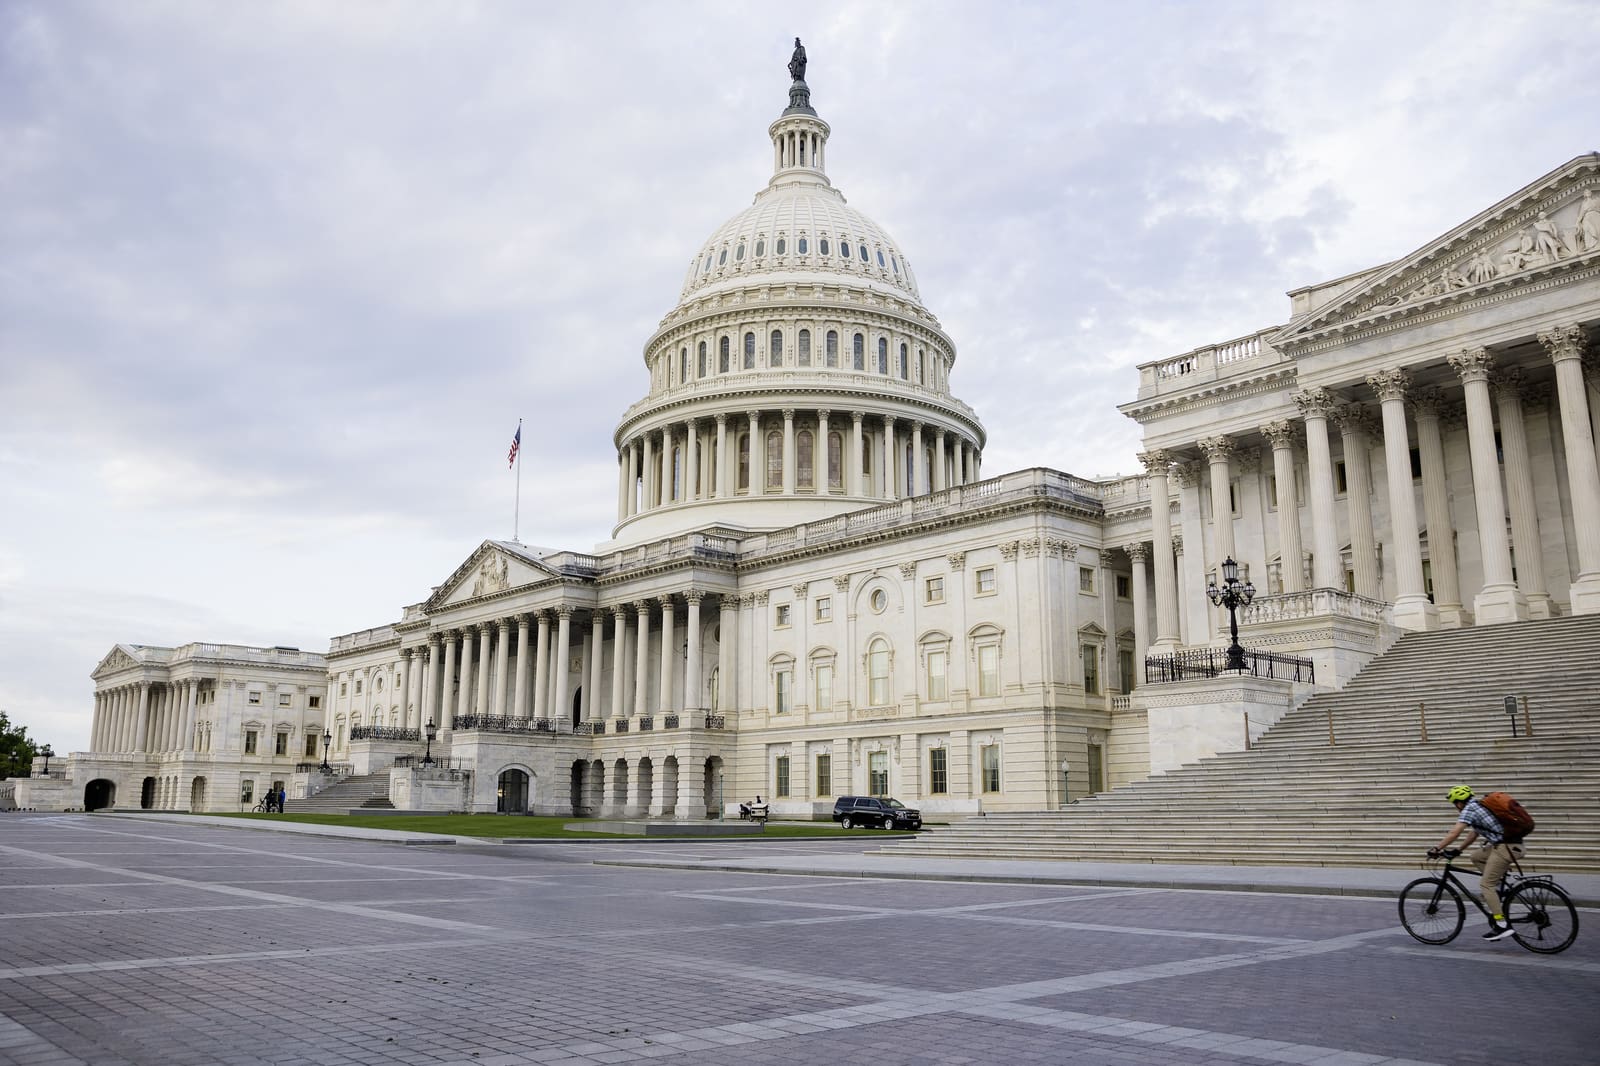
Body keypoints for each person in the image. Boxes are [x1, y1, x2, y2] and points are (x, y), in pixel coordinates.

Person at [1429, 785, 1521, 941]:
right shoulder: (1479, 806)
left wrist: (1437, 848)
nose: (1456, 807)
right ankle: (1498, 887)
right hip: (1509, 845)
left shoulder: (1469, 809)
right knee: (1476, 857)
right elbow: (1474, 833)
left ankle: (1501, 924)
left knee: (1486, 885)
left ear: (1459, 802)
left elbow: (1455, 832)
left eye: (1454, 804)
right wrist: (1459, 849)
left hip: (1506, 847)